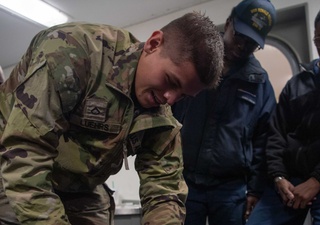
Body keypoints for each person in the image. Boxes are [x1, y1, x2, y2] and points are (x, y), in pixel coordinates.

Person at [0, 12, 224, 225]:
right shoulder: (72, 52)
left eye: (183, 95)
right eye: (171, 81)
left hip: (78, 185)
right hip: (10, 161)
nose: (170, 98)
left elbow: (164, 191)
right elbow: (25, 150)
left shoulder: (161, 117)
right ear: (154, 43)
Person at [246, 1, 320, 224]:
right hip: (290, 178)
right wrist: (279, 176)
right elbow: (276, 134)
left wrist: (317, 180)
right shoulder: (296, 85)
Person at [172, 0, 276, 224]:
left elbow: (263, 140)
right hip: (185, 180)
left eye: (251, 43)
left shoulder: (259, 82)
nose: (242, 46)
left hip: (231, 190)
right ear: (229, 23)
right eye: (240, 36)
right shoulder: (195, 60)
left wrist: (255, 190)